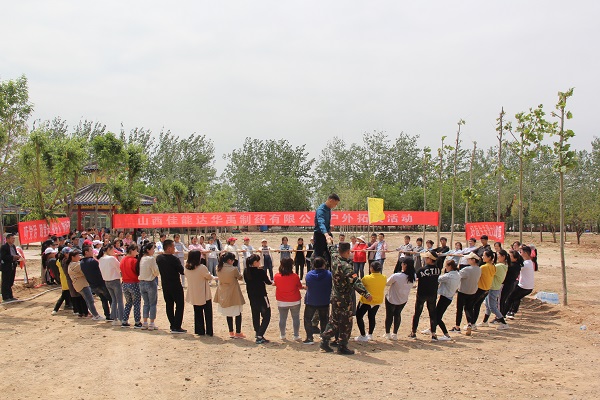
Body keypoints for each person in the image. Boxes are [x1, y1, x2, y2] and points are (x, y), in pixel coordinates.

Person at [320, 238, 372, 355]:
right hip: (344, 299)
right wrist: (366, 294)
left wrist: (328, 240)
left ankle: (325, 340)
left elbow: (331, 248)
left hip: (335, 296)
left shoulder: (335, 258)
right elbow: (356, 282)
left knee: (334, 320)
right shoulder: (346, 266)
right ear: (348, 252)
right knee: (346, 323)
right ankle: (342, 346)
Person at [409, 251, 441, 341]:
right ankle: (433, 333)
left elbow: (415, 278)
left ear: (430, 259)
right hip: (432, 294)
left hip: (422, 294)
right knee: (432, 314)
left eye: (426, 258)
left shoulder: (422, 270)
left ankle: (413, 332)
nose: (425, 259)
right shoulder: (438, 270)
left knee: (417, 313)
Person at [156, 239, 186, 334]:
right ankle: (177, 326)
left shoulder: (159, 258)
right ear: (169, 248)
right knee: (180, 304)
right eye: (173, 247)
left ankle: (172, 325)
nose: (174, 248)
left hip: (165, 285)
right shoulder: (174, 259)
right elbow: (182, 271)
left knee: (169, 305)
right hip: (175, 284)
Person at [213, 252, 246, 339]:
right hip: (233, 292)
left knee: (228, 314)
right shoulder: (233, 269)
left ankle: (231, 332)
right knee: (238, 313)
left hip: (223, 291)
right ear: (229, 260)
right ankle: (238, 332)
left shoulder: (218, 267)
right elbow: (240, 277)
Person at [67, 249, 105, 321]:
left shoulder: (73, 264)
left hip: (80, 285)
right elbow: (85, 270)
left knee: (88, 300)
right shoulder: (75, 265)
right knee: (90, 300)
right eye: (78, 255)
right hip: (82, 285)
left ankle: (94, 314)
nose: (79, 256)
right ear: (73, 257)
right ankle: (96, 315)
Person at [465, 249, 496, 336]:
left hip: (480, 288)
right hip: (486, 289)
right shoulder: (493, 266)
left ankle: (471, 323)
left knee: (470, 306)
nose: (482, 257)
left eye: (484, 256)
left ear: (489, 257)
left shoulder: (483, 267)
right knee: (477, 305)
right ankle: (473, 323)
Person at [302, 256, 332, 345]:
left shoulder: (309, 274)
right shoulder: (329, 274)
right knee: (324, 319)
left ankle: (309, 337)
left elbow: (308, 285)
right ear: (324, 264)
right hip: (324, 300)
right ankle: (324, 337)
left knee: (307, 318)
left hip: (311, 300)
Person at [354, 261, 386, 342]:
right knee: (372, 317)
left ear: (371, 268)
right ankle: (370, 334)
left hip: (366, 301)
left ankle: (363, 335)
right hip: (377, 301)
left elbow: (359, 285)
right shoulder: (384, 278)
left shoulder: (367, 278)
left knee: (359, 316)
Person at [185, 250, 214, 336]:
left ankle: (199, 330)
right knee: (208, 312)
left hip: (194, 292)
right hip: (204, 292)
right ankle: (209, 331)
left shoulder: (186, 268)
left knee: (197, 312)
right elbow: (208, 277)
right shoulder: (202, 267)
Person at [384, 258, 415, 340]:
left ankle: (387, 333)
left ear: (405, 265)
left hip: (392, 298)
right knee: (397, 314)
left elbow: (387, 283)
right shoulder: (413, 276)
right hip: (403, 299)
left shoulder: (397, 276)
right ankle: (395, 333)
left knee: (389, 315)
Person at [244, 254, 272, 344]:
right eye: (258, 261)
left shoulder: (246, 271)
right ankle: (260, 335)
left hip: (252, 296)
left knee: (255, 314)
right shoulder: (260, 271)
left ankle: (257, 332)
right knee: (267, 315)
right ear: (255, 262)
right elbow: (268, 282)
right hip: (262, 296)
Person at [451, 252, 482, 334]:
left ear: (473, 260)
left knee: (459, 309)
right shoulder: (479, 269)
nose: (467, 260)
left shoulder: (467, 269)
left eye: (469, 259)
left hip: (463, 291)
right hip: (473, 291)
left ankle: (457, 326)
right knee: (469, 308)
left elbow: (458, 276)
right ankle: (470, 323)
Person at [273, 258, 303, 341]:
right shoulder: (295, 276)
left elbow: (275, 283)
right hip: (295, 300)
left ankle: (282, 335)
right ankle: (296, 335)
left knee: (282, 318)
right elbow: (299, 286)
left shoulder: (277, 276)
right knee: (296, 318)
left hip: (282, 301)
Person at [80, 245, 112, 320]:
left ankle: (107, 315)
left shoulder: (81, 262)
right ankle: (113, 315)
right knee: (110, 299)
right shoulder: (92, 261)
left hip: (93, 285)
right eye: (91, 250)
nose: (92, 252)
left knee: (103, 299)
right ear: (86, 252)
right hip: (101, 283)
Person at [480, 249, 509, 329]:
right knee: (488, 306)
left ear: (503, 257)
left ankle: (504, 323)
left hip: (493, 288)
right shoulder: (502, 265)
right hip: (493, 287)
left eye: (498, 255)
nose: (496, 256)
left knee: (492, 307)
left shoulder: (498, 266)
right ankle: (484, 322)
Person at [432, 259, 461, 341]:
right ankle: (432, 328)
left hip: (445, 297)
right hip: (450, 297)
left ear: (450, 266)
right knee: (438, 315)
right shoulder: (457, 274)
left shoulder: (448, 276)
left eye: (446, 266)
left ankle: (446, 334)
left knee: (437, 317)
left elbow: (437, 278)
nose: (445, 268)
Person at [505, 245, 535, 319]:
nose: (520, 254)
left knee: (510, 297)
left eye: (521, 252)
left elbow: (516, 267)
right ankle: (511, 312)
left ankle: (503, 314)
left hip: (524, 287)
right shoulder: (529, 262)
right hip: (528, 287)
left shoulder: (525, 264)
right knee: (516, 298)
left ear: (525, 253)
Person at [98, 244, 124, 325]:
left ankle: (115, 318)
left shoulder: (101, 259)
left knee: (114, 300)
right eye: (112, 250)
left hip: (107, 281)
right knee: (119, 300)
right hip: (115, 280)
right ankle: (121, 318)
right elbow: (120, 267)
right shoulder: (111, 258)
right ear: (109, 249)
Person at [312, 193, 340, 266]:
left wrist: (329, 229)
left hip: (327, 234)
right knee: (319, 258)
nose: (335, 206)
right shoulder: (321, 210)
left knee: (331, 256)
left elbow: (325, 224)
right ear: (331, 200)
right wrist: (326, 235)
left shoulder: (329, 209)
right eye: (335, 204)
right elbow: (321, 223)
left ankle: (330, 271)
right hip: (320, 236)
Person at [138, 242, 160, 330]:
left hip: (142, 282)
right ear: (148, 250)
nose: (153, 250)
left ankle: (145, 322)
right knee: (153, 303)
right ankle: (152, 323)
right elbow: (156, 271)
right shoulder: (151, 259)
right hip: (150, 282)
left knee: (146, 303)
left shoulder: (142, 258)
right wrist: (155, 275)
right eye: (152, 249)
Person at [120, 244, 142, 329]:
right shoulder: (134, 261)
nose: (137, 252)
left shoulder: (123, 260)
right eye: (136, 250)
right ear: (132, 250)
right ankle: (137, 321)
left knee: (128, 303)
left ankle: (124, 320)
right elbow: (137, 272)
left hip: (125, 283)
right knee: (136, 303)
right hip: (134, 283)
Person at [500, 250, 523, 317]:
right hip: (510, 284)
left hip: (507, 285)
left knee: (502, 300)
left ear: (515, 258)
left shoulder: (513, 266)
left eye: (510, 256)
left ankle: (501, 316)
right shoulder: (516, 265)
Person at [52, 248, 72, 314]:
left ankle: (68, 305)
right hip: (66, 279)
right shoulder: (64, 261)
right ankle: (55, 309)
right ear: (65, 254)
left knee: (67, 294)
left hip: (64, 279)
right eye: (68, 253)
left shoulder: (59, 260)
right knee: (64, 295)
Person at [1, 234, 20, 302]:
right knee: (6, 281)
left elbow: (15, 253)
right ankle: (5, 297)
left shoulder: (13, 246)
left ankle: (10, 296)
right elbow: (3, 257)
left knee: (10, 281)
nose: (13, 240)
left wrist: (17, 256)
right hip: (6, 266)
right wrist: (12, 257)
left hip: (13, 265)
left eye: (14, 238)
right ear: (7, 239)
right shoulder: (4, 247)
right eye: (12, 238)